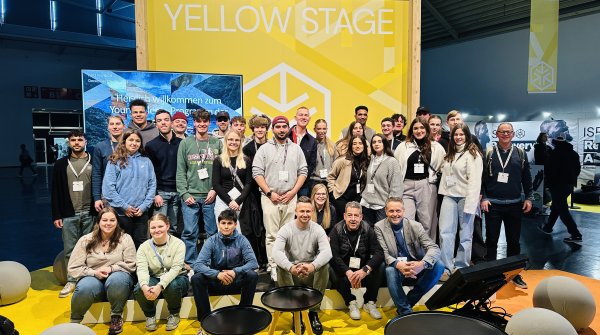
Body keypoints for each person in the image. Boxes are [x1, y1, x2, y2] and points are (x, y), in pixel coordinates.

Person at [252, 115, 308, 281]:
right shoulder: (264, 149)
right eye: (278, 127)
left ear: (288, 128)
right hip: (270, 198)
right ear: (273, 129)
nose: (282, 130)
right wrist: (270, 193)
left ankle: (286, 265)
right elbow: (257, 172)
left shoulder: (296, 149)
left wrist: (293, 192)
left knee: (289, 234)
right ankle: (274, 266)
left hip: (290, 198)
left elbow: (303, 171)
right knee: (272, 235)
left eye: (284, 127)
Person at [481, 122, 533, 289]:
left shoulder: (520, 154)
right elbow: (481, 178)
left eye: (508, 132)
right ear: (496, 134)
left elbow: (527, 179)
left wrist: (529, 198)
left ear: (513, 134)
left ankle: (514, 275)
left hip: (514, 204)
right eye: (502, 132)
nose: (505, 134)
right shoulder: (488, 152)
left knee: (513, 242)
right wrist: (484, 198)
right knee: (491, 241)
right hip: (493, 205)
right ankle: (490, 275)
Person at [68, 207, 136, 334]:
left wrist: (111, 268)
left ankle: (116, 317)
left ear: (117, 222)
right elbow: (73, 267)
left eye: (112, 220)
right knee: (85, 286)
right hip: (93, 279)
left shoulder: (125, 238)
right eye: (104, 220)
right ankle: (75, 322)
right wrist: (94, 273)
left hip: (118, 280)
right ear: (98, 222)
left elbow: (131, 264)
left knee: (117, 279)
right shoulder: (85, 240)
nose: (108, 223)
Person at [191, 209, 258, 335]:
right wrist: (217, 274)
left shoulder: (242, 240)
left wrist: (235, 272)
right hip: (217, 280)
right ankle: (205, 322)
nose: (226, 226)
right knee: (197, 278)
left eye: (229, 223)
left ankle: (243, 315)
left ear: (235, 224)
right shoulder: (212, 240)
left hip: (235, 280)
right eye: (223, 223)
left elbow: (253, 263)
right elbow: (198, 265)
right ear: (218, 224)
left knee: (252, 275)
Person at [374, 197, 444, 316]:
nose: (395, 214)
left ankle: (409, 301)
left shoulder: (415, 226)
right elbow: (383, 253)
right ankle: (405, 312)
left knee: (439, 265)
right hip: (396, 266)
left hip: (415, 265)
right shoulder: (379, 227)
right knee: (390, 270)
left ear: (403, 211)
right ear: (386, 211)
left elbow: (434, 248)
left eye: (398, 211)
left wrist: (422, 264)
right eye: (391, 211)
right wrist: (398, 264)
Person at [272, 197, 332, 335]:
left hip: (310, 271)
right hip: (292, 271)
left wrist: (312, 266)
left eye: (308, 211)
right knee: (281, 265)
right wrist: (291, 267)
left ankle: (313, 313)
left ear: (312, 212)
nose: (305, 214)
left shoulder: (318, 229)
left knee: (324, 265)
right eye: (302, 211)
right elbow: (276, 252)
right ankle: (295, 314)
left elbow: (327, 252)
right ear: (296, 211)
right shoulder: (286, 229)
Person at [51, 129, 95, 298]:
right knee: (70, 249)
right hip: (69, 214)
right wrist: (56, 215)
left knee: (90, 249)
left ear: (85, 142)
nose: (77, 142)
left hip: (90, 213)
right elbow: (55, 191)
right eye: (73, 140)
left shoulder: (93, 162)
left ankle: (88, 279)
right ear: (69, 143)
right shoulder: (61, 164)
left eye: (79, 139)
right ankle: (72, 279)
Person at [176, 108, 223, 266]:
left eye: (205, 121)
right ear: (194, 123)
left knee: (212, 232)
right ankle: (191, 263)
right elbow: (181, 171)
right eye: (198, 121)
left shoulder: (217, 142)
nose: (202, 124)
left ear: (210, 123)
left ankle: (211, 261)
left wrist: (215, 189)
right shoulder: (186, 143)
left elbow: (224, 170)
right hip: (191, 196)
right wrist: (184, 193)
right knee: (190, 232)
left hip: (211, 195)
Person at [438, 124, 483, 280]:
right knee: (445, 233)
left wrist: (471, 205)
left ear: (467, 136)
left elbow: (475, 182)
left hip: (465, 198)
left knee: (465, 235)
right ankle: (445, 267)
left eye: (461, 135)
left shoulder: (473, 154)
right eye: (455, 134)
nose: (458, 137)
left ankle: (461, 266)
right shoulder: (450, 154)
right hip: (448, 196)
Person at [329, 202, 384, 320]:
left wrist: (365, 270)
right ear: (344, 216)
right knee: (330, 268)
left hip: (362, 272)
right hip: (344, 273)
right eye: (350, 215)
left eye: (356, 215)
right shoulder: (336, 230)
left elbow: (379, 253)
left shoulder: (368, 229)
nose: (353, 219)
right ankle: (351, 302)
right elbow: (334, 256)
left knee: (381, 265)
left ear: (361, 217)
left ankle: (369, 302)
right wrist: (348, 272)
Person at [102, 129, 157, 249]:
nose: (134, 143)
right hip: (121, 212)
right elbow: (108, 188)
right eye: (131, 140)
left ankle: (139, 268)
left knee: (141, 244)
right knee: (121, 244)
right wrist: (125, 207)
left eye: (137, 141)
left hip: (141, 212)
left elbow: (152, 185)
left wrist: (143, 207)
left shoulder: (146, 161)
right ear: (124, 141)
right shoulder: (114, 161)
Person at [134, 214, 188, 332]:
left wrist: (160, 285)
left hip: (178, 278)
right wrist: (144, 286)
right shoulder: (143, 247)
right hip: (155, 277)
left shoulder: (179, 244)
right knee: (138, 288)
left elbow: (175, 269)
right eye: (153, 227)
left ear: (167, 226)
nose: (157, 230)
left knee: (171, 285)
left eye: (160, 226)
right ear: (149, 229)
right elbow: (142, 269)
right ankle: (150, 316)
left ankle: (174, 314)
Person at [394, 118, 445, 240]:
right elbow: (396, 166)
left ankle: (427, 252)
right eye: (416, 128)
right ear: (412, 130)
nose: (419, 131)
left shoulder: (436, 147)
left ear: (426, 130)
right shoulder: (403, 146)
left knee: (427, 222)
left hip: (426, 185)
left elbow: (443, 165)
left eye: (422, 128)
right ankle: (409, 252)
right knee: (407, 221)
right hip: (406, 185)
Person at [145, 110, 183, 236]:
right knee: (158, 228)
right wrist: (155, 194)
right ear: (156, 125)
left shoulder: (181, 144)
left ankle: (170, 255)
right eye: (159, 121)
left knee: (173, 228)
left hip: (178, 192)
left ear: (172, 123)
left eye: (166, 119)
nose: (163, 123)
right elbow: (149, 174)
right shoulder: (151, 145)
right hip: (161, 194)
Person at [540, 136, 582, 244]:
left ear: (555, 143)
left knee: (562, 209)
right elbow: (577, 169)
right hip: (569, 185)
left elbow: (550, 171)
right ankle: (548, 227)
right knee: (556, 206)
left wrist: (549, 184)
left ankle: (575, 234)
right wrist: (571, 180)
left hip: (558, 185)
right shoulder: (574, 154)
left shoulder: (554, 154)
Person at [212, 129, 252, 229]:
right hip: (223, 201)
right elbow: (216, 184)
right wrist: (230, 201)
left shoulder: (246, 160)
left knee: (238, 232)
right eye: (230, 139)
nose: (233, 142)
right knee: (224, 231)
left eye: (236, 140)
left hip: (241, 202)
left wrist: (238, 201)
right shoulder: (218, 160)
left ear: (240, 142)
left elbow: (248, 183)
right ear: (226, 141)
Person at [361, 134, 402, 225]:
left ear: (384, 143)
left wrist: (392, 205)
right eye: (374, 142)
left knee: (381, 233)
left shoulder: (391, 161)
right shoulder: (370, 159)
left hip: (382, 205)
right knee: (369, 233)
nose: (376, 144)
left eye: (379, 141)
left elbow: (396, 186)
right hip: (367, 203)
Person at [328, 135, 369, 223]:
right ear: (351, 146)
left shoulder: (367, 162)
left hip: (358, 199)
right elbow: (331, 177)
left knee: (355, 224)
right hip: (341, 199)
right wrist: (332, 193)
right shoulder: (343, 160)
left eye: (360, 143)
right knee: (342, 223)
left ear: (364, 146)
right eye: (354, 144)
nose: (357, 146)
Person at [92, 115, 125, 212]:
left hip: (126, 193)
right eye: (112, 124)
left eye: (118, 124)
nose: (115, 127)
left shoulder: (130, 145)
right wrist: (97, 197)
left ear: (124, 126)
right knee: (109, 224)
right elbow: (96, 174)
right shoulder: (100, 147)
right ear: (108, 127)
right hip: (107, 195)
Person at [288, 106, 317, 197]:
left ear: (309, 118)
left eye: (306, 115)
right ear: (295, 118)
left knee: (303, 209)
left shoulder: (312, 141)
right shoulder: (285, 136)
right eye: (301, 115)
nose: (303, 117)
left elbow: (311, 165)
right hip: (285, 183)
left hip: (303, 185)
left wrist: (300, 180)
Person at [310, 119, 335, 189]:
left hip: (329, 182)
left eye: (324, 129)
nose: (322, 131)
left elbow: (335, 165)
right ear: (314, 129)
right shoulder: (311, 145)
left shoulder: (332, 145)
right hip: (314, 181)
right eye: (319, 129)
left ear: (327, 129)